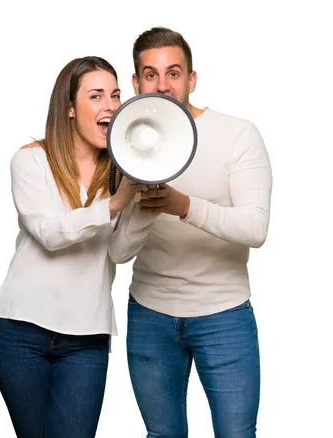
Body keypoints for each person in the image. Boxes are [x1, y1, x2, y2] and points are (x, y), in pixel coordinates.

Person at [108, 27, 273, 437]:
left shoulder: (238, 134)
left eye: (173, 73)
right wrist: (146, 201)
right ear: (136, 83)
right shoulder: (124, 143)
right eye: (150, 74)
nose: (162, 85)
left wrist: (184, 207)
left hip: (224, 314)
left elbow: (256, 227)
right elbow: (117, 251)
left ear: (192, 79)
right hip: (150, 315)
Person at [0, 56, 146, 438]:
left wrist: (144, 202)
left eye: (115, 95)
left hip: (86, 336)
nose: (110, 106)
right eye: (96, 96)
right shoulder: (31, 161)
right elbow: (48, 232)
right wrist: (112, 204)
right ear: (71, 109)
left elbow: (120, 252)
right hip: (21, 330)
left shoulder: (122, 171)